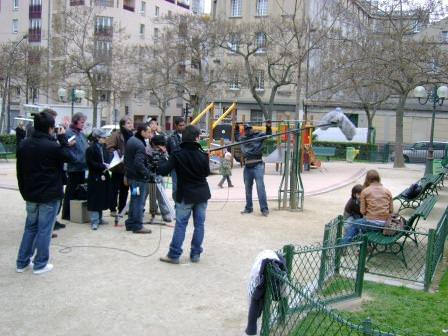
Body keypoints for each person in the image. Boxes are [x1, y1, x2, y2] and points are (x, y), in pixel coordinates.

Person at [16, 110, 74, 274]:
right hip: (48, 194)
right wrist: (63, 139)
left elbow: (19, 171)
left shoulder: (24, 144)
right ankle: (40, 263)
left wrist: (23, 191)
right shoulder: (52, 146)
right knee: (44, 230)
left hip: (31, 193)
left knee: (30, 228)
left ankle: (22, 262)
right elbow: (70, 157)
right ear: (50, 128)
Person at [157, 125, 211, 264]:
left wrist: (162, 158)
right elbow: (206, 173)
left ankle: (174, 255)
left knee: (181, 224)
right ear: (197, 138)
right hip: (201, 194)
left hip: (185, 194)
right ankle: (195, 254)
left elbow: (163, 170)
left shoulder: (177, 153)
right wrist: (205, 157)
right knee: (199, 224)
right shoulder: (202, 154)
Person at [342, 170, 393, 243]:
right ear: (378, 178)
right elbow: (391, 210)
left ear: (367, 179)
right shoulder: (387, 191)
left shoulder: (365, 191)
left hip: (373, 224)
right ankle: (360, 245)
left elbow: (363, 212)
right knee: (360, 224)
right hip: (385, 224)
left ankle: (341, 246)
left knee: (355, 224)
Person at [124, 123, 152, 234]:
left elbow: (126, 160)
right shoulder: (140, 145)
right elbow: (138, 163)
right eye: (148, 132)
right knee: (139, 202)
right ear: (142, 132)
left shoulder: (131, 140)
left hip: (132, 178)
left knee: (134, 200)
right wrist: (147, 173)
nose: (150, 134)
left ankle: (130, 223)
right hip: (138, 179)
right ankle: (137, 226)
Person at [62, 112, 89, 221]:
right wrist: (76, 159)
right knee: (70, 191)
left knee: (79, 190)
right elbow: (68, 150)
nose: (83, 124)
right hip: (74, 167)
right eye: (82, 122)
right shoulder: (69, 133)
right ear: (75, 121)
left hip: (83, 167)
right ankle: (67, 213)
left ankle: (76, 213)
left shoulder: (81, 134)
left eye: (84, 122)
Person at [106, 116, 133, 216]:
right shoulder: (116, 135)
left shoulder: (132, 135)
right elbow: (109, 147)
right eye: (128, 123)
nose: (131, 125)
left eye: (131, 123)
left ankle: (122, 207)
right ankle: (112, 209)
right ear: (123, 125)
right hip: (118, 166)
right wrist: (118, 153)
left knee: (125, 189)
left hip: (127, 167)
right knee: (114, 189)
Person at [240, 124, 269, 217]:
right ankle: (249, 208)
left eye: (249, 129)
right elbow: (236, 135)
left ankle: (264, 209)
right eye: (246, 129)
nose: (248, 131)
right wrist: (236, 127)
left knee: (260, 188)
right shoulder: (243, 139)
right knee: (247, 188)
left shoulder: (258, 136)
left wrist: (268, 127)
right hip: (247, 166)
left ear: (252, 129)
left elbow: (268, 134)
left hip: (258, 165)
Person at [86, 129, 112, 230]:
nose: (105, 139)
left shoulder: (104, 147)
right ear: (97, 138)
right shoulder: (90, 149)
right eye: (103, 137)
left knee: (102, 197)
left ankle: (100, 219)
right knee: (95, 198)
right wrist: (102, 165)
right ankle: (94, 220)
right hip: (95, 176)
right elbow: (90, 163)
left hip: (104, 174)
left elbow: (106, 158)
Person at [148, 134, 173, 222]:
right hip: (147, 175)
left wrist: (164, 152)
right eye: (159, 145)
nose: (161, 147)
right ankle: (140, 214)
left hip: (158, 175)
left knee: (161, 196)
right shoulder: (147, 150)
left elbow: (167, 160)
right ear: (154, 144)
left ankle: (165, 214)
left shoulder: (162, 150)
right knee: (143, 196)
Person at [166, 117, 185, 199]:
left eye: (183, 125)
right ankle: (176, 204)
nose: (182, 127)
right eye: (180, 125)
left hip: (185, 165)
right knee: (175, 186)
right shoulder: (171, 137)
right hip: (175, 165)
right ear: (176, 126)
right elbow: (169, 150)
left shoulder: (187, 135)